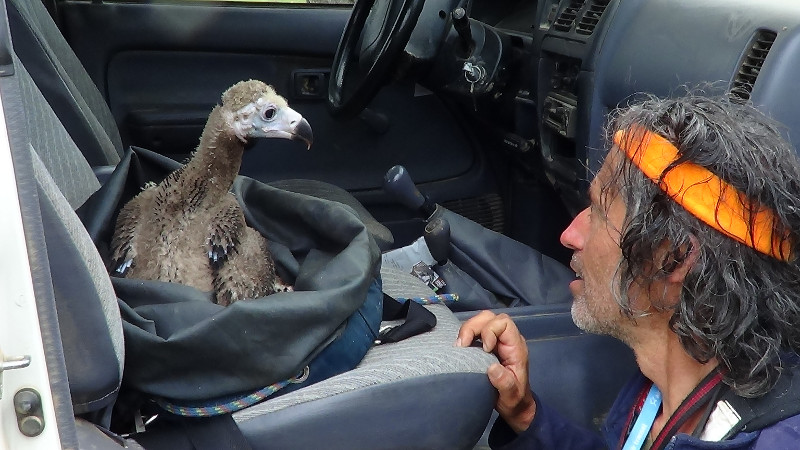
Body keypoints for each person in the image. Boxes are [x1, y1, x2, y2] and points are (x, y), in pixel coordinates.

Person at [457, 94, 800, 449]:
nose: (569, 235)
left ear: (674, 257)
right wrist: (528, 416)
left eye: (598, 211)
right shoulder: (657, 390)